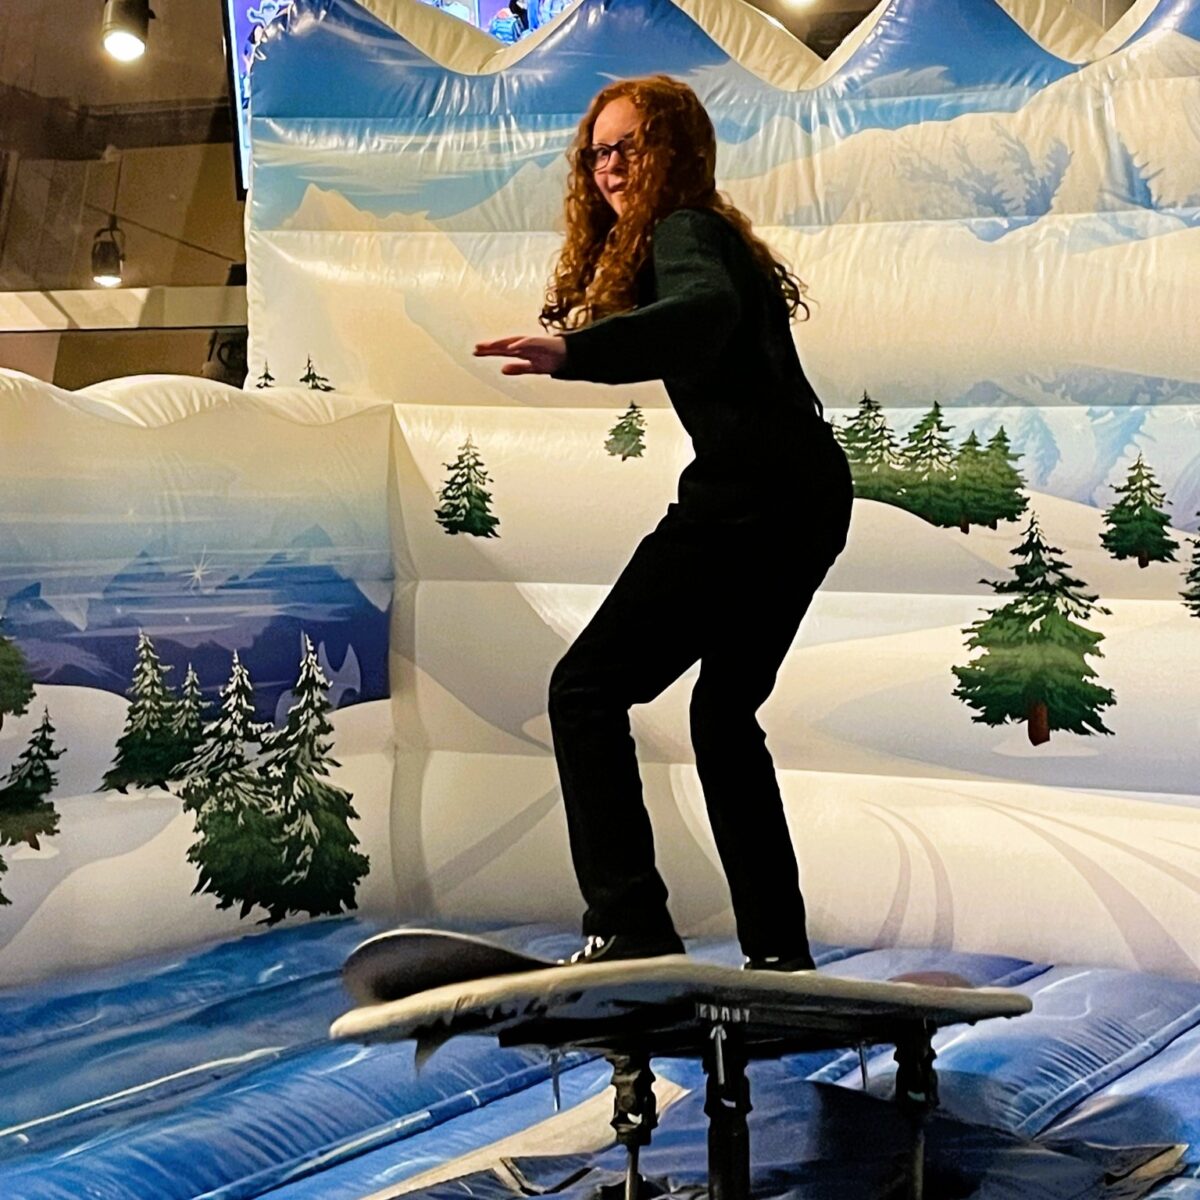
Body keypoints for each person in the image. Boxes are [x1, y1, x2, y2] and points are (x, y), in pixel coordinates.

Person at [474, 76, 853, 971]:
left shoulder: (686, 231)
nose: (609, 167)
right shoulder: (707, 237)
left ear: (674, 152)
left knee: (585, 690)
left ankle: (631, 924)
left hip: (751, 497)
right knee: (724, 719)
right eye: (597, 151)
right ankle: (779, 955)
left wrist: (577, 351)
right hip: (804, 494)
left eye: (629, 147)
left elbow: (703, 317)